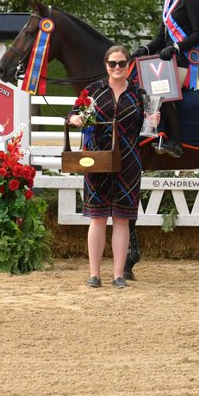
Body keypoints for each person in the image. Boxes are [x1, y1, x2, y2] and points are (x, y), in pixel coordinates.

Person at [67, 44, 152, 288]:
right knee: (98, 217)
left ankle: (118, 275)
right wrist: (75, 118)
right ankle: (94, 274)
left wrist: (153, 120)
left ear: (128, 65)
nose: (117, 67)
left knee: (122, 219)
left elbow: (148, 127)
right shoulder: (92, 91)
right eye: (112, 63)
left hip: (129, 160)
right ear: (106, 65)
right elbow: (71, 114)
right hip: (97, 158)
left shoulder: (138, 94)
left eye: (122, 63)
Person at [132, 0, 199, 159]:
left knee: (162, 92)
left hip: (185, 59)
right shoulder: (168, 2)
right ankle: (151, 131)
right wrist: (145, 49)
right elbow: (160, 38)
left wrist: (175, 47)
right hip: (167, 58)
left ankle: (175, 142)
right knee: (144, 88)